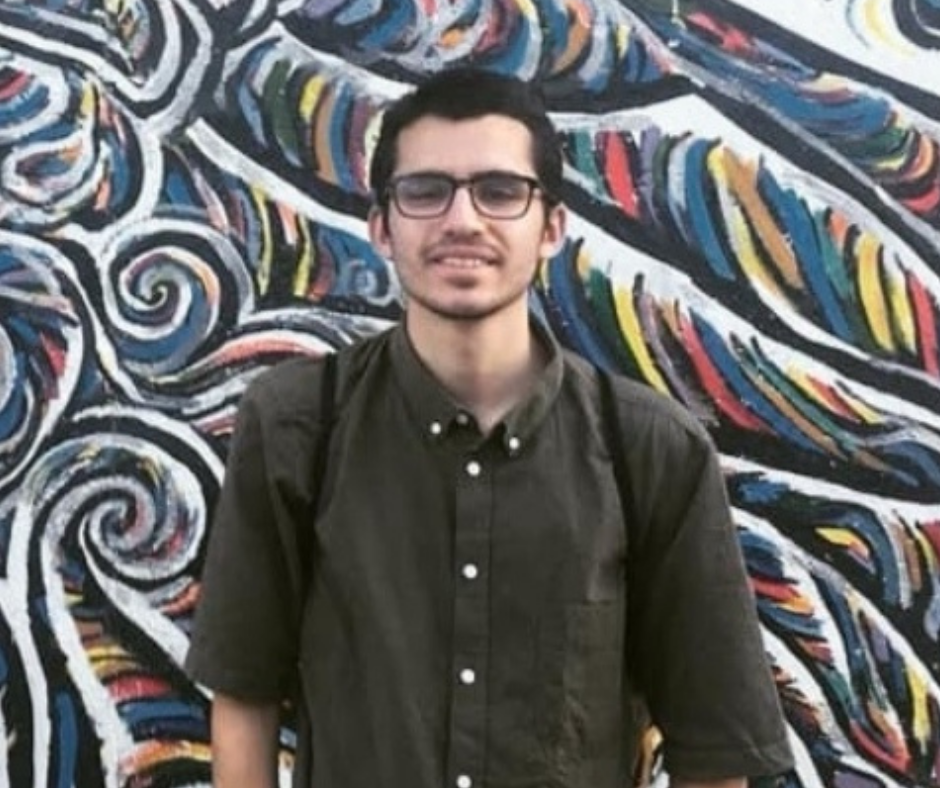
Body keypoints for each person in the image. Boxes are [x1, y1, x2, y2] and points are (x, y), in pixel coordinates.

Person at [185, 68, 794, 788]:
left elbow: (713, 747)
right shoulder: (297, 426)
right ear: (381, 226)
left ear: (551, 227)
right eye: (425, 191)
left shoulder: (651, 451)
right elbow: (245, 692)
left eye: (500, 191)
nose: (463, 220)